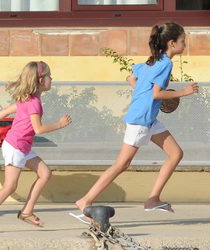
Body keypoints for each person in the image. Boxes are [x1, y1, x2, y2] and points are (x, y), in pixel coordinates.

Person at [76, 22, 199, 214]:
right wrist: (183, 92)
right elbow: (156, 94)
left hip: (148, 118)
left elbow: (132, 78)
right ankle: (85, 200)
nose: (185, 44)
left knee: (175, 153)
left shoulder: (152, 61)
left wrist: (142, 93)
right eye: (183, 41)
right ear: (173, 43)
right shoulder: (166, 63)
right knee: (122, 164)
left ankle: (153, 199)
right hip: (141, 119)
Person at [0, 61, 72, 232]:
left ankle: (26, 212)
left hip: (21, 146)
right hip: (16, 147)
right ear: (41, 80)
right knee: (10, 187)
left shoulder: (29, 98)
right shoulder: (34, 103)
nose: (51, 79)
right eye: (49, 75)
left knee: (45, 173)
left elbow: (3, 113)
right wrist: (59, 125)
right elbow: (38, 129)